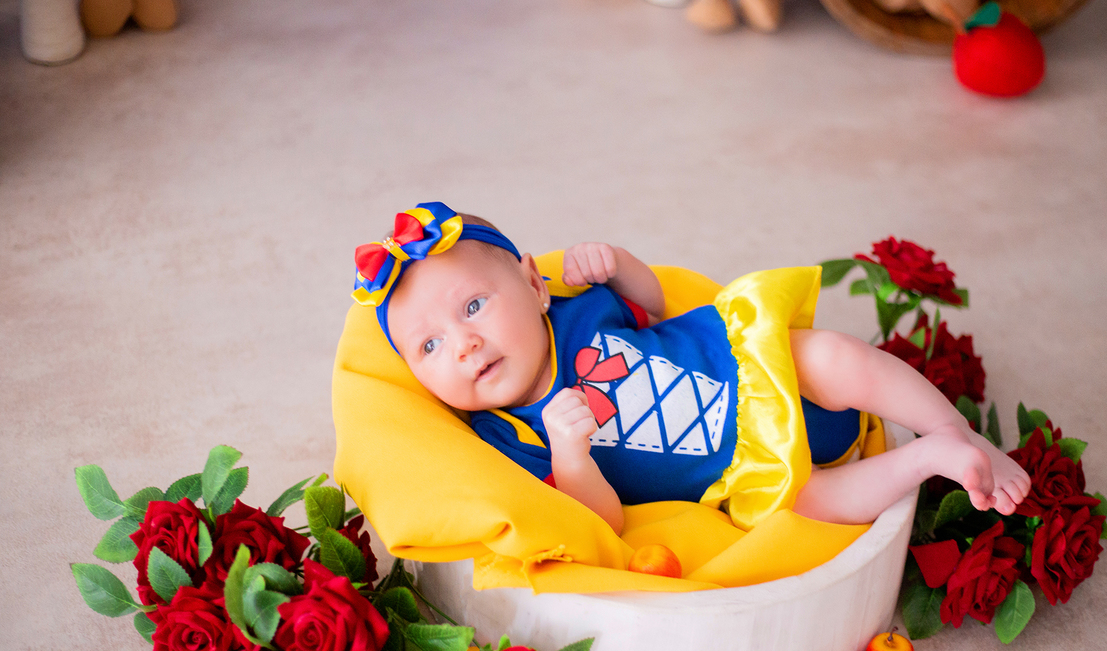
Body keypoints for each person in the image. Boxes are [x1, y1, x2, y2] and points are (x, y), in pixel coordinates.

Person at [352, 202, 1030, 537]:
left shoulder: (573, 308)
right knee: (805, 511)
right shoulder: (512, 438)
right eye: (430, 347)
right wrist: (572, 455)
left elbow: (653, 305)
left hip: (751, 366)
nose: (465, 344)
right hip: (740, 468)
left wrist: (617, 263)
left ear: (533, 285)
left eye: (473, 305)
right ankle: (928, 460)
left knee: (833, 356)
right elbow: (604, 523)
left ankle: (955, 429)